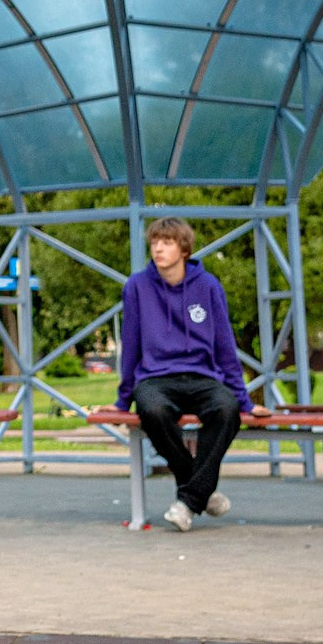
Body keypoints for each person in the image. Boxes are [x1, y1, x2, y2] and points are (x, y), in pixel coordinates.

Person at [115, 217, 250, 530]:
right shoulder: (137, 287)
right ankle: (200, 492)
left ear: (185, 249)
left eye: (168, 242)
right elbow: (131, 345)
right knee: (153, 410)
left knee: (226, 409)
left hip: (202, 376)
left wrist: (242, 399)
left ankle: (189, 499)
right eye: (155, 242)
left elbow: (225, 346)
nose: (159, 249)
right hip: (156, 378)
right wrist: (123, 403)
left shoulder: (208, 286)